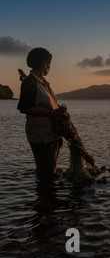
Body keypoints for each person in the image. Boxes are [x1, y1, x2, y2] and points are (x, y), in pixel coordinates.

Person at [17, 47, 63, 182]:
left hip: (51, 133)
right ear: (44, 64)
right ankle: (46, 198)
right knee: (46, 172)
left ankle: (45, 199)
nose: (50, 67)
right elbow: (24, 108)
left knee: (49, 170)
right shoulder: (30, 82)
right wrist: (50, 114)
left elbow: (46, 103)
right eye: (49, 64)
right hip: (41, 136)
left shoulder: (43, 82)